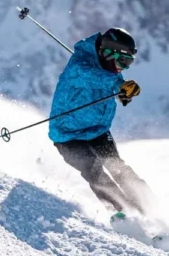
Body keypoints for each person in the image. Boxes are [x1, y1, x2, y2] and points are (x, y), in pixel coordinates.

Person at [49, 27, 153, 216]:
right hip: (68, 136)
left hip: (97, 131)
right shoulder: (79, 67)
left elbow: (112, 83)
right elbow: (95, 78)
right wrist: (120, 84)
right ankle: (124, 214)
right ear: (108, 53)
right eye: (124, 61)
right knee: (94, 170)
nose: (125, 67)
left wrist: (123, 93)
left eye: (130, 62)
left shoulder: (108, 68)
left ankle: (150, 207)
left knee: (119, 168)